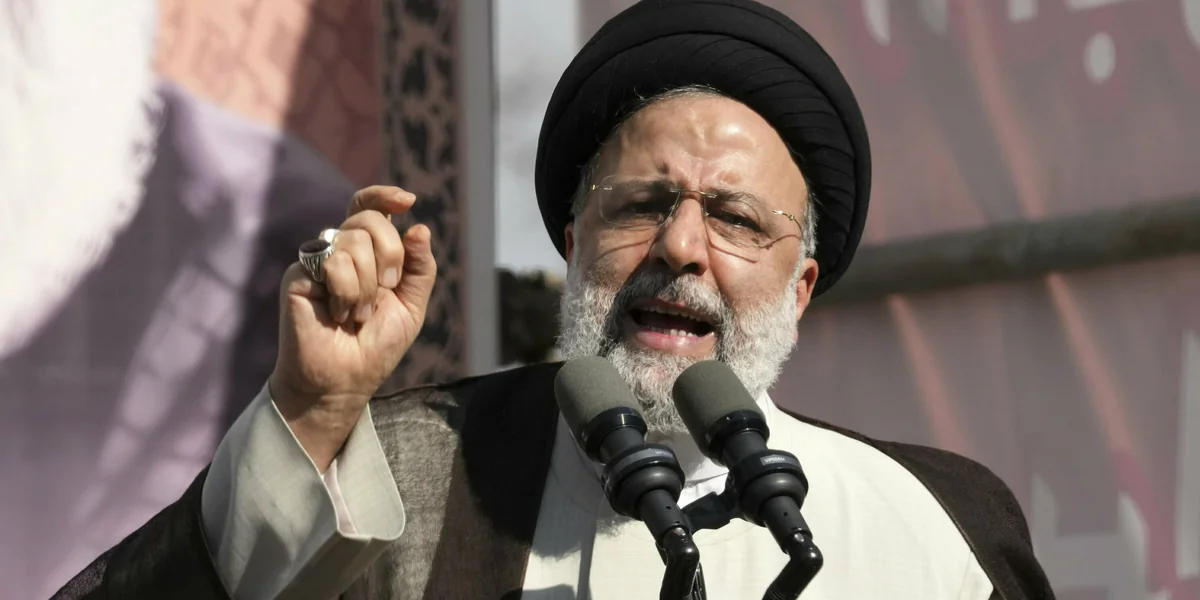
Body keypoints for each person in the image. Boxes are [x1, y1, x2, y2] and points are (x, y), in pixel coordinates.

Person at [55, 0, 1056, 598]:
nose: (680, 249)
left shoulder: (938, 527)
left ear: (800, 285)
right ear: (574, 244)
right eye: (643, 205)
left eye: (735, 218)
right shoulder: (407, 473)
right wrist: (313, 414)